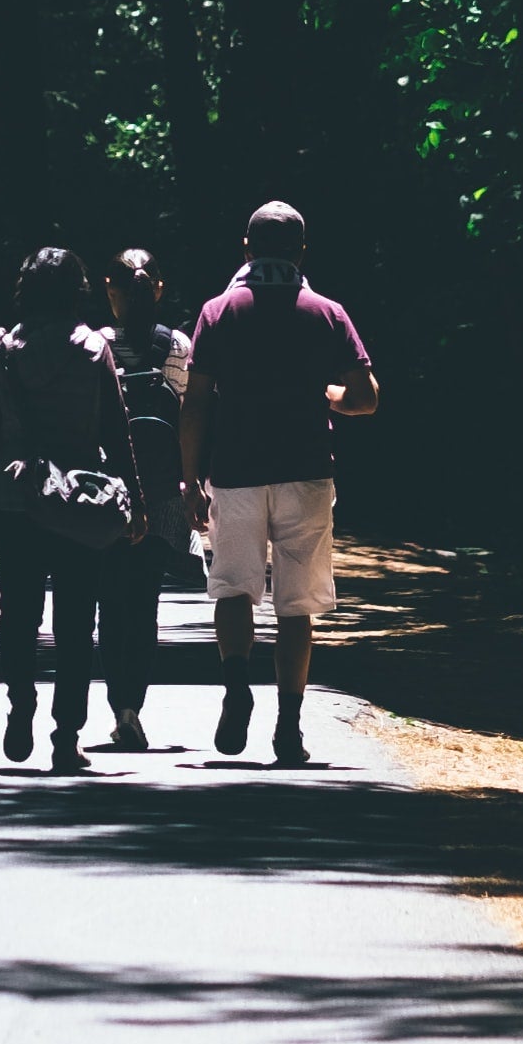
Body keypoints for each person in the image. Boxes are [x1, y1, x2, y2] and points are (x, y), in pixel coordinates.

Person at [177, 197, 378, 766]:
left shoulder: (218, 312)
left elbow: (194, 406)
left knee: (234, 587)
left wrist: (191, 480)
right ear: (302, 250)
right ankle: (288, 728)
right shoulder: (327, 312)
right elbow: (366, 398)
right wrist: (330, 394)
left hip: (236, 473)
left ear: (246, 248)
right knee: (296, 606)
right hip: (306, 473)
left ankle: (236, 688)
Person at [0, 246, 146, 774]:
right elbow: (117, 431)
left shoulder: (3, 346)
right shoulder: (95, 348)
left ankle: (21, 703)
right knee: (76, 622)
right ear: (77, 289)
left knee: (17, 615)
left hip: (14, 498)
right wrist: (133, 501)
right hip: (79, 502)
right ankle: (66, 736)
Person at [95, 244, 194, 748]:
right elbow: (189, 418)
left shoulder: (95, 344)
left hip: (107, 495)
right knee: (145, 602)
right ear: (159, 287)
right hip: (162, 492)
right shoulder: (179, 345)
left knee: (109, 604)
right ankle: (135, 703)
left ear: (108, 288)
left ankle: (120, 707)